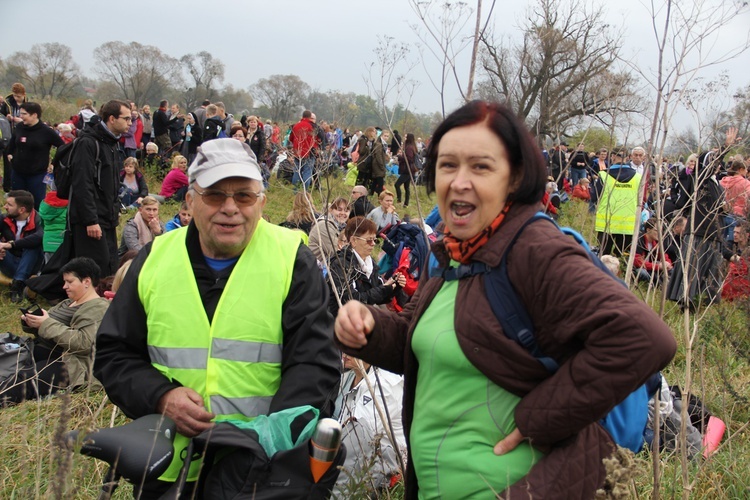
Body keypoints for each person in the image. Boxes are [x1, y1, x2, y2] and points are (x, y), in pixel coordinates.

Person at [333, 100, 676, 498]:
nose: (460, 181)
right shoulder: (451, 252)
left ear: (514, 178)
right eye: (447, 165)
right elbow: (428, 341)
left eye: (481, 166)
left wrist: (539, 418)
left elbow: (644, 338)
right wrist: (371, 327)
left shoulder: (536, 249)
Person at [94, 138, 341, 497]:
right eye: (214, 195)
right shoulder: (155, 259)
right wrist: (161, 397)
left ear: (262, 203)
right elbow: (114, 354)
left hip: (258, 471)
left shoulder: (291, 259)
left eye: (243, 196)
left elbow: (315, 364)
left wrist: (265, 440)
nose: (230, 208)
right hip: (167, 469)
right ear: (191, 201)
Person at [3, 257, 109, 406]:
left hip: (72, 364)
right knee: (7, 359)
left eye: (70, 282)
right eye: (64, 282)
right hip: (46, 350)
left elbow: (84, 343)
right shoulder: (67, 303)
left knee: (24, 380)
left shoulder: (98, 307)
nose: (64, 286)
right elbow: (49, 329)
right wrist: (33, 322)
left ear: (86, 281)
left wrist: (46, 323)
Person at [667, 129, 740, 307]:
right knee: (693, 271)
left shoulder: (716, 183)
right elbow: (706, 167)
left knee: (709, 272)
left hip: (713, 233)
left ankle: (701, 304)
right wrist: (725, 147)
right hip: (699, 233)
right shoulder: (701, 179)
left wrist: (724, 208)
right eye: (713, 159)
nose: (717, 163)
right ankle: (687, 304)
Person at [69, 100, 131, 277]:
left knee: (110, 264)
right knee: (96, 268)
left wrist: (115, 208)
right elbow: (82, 184)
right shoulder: (88, 143)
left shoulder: (112, 143)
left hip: (107, 216)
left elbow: (110, 182)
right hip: (90, 219)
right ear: (112, 118)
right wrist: (90, 220)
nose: (130, 123)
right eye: (126, 119)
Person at [333, 353, 406, 497]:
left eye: (352, 347)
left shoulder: (384, 385)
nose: (345, 352)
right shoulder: (348, 375)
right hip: (352, 458)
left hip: (382, 466)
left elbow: (356, 438)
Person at [328, 216, 406, 317]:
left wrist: (394, 286)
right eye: (369, 240)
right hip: (340, 321)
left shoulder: (370, 263)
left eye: (375, 240)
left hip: (361, 319)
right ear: (354, 240)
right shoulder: (340, 264)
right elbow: (352, 301)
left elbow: (379, 296)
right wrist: (385, 288)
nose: (373, 244)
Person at [6, 102, 64, 209]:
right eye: (20, 114)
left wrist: (53, 163)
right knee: (16, 203)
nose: (21, 116)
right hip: (18, 172)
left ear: (34, 115)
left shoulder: (46, 131)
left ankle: (36, 224)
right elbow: (12, 143)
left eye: (24, 114)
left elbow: (63, 147)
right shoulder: (19, 127)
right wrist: (9, 154)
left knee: (36, 203)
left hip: (37, 174)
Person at [592, 150, 642, 256]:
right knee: (622, 257)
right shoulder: (638, 177)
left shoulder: (603, 175)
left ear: (613, 156)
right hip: (627, 224)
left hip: (606, 222)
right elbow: (641, 200)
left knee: (604, 255)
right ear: (628, 158)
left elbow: (594, 197)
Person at [0, 190, 44, 302]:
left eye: (9, 205)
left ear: (22, 210)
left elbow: (39, 236)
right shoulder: (4, 219)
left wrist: (11, 244)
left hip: (32, 265)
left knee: (33, 245)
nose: (5, 207)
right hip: (11, 262)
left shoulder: (39, 220)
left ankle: (18, 284)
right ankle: (21, 283)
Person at [0, 83, 27, 192]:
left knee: (16, 160)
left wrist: (22, 120)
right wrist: (8, 117)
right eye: (15, 96)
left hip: (22, 134)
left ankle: (16, 186)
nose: (16, 98)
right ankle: (7, 186)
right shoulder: (7, 103)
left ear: (24, 95)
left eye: (19, 96)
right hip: (7, 134)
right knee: (7, 160)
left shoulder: (28, 104)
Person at [308, 197, 349, 266]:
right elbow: (336, 252)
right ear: (331, 210)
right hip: (317, 270)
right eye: (339, 209)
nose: (343, 213)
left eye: (346, 210)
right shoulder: (324, 226)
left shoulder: (341, 227)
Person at [634, 218, 673, 283]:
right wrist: (658, 266)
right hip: (640, 268)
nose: (659, 234)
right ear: (648, 230)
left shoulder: (657, 243)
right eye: (656, 231)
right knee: (642, 273)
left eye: (661, 231)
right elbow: (638, 262)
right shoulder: (639, 241)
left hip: (652, 268)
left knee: (672, 271)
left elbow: (664, 256)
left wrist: (668, 264)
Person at [721, 223, 750, 301]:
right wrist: (738, 259)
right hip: (732, 278)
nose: (734, 235)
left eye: (738, 233)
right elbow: (724, 251)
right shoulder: (731, 244)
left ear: (747, 235)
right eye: (734, 232)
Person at [39, 190, 68, 263]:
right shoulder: (68, 207)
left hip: (48, 244)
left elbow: (41, 224)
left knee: (49, 266)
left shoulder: (44, 207)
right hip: (63, 242)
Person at [290, 110, 317, 189]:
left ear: (302, 116)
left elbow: (291, 138)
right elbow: (316, 139)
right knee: (307, 172)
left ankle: (296, 190)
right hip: (309, 152)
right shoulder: (312, 126)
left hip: (297, 152)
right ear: (310, 117)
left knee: (297, 172)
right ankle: (305, 191)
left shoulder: (296, 126)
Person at [395, 133, 418, 207]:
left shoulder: (409, 148)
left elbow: (409, 159)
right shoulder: (412, 146)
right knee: (406, 187)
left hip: (407, 170)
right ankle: (406, 203)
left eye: (406, 137)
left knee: (397, 185)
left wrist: (400, 157)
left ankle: (399, 200)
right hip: (409, 170)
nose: (404, 138)